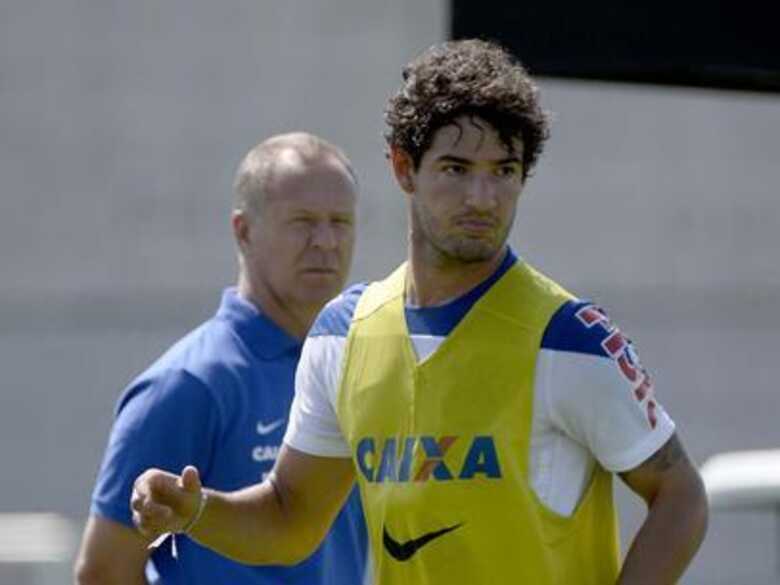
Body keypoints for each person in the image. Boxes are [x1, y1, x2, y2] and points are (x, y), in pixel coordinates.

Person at [131, 40, 708, 584]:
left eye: (503, 171)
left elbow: (680, 495)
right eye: (456, 169)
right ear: (405, 168)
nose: (483, 200)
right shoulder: (342, 334)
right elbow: (290, 519)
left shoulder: (567, 339)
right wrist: (197, 511)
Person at [74, 132, 368, 585]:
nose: (325, 241)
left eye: (340, 221)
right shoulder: (189, 384)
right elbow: (104, 572)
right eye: (303, 222)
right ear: (244, 231)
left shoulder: (356, 366)